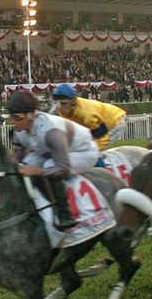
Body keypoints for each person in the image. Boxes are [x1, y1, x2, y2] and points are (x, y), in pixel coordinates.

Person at [7, 90, 100, 230]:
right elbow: (18, 155)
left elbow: (63, 169)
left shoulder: (51, 133)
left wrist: (35, 171)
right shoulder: (18, 132)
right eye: (11, 118)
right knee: (28, 163)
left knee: (49, 165)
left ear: (31, 115)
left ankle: (64, 214)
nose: (13, 123)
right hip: (50, 151)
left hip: (83, 151)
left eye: (17, 118)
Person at [51, 84, 127, 152]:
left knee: (93, 151)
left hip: (114, 120)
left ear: (73, 102)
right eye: (56, 103)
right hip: (98, 121)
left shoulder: (86, 114)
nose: (59, 107)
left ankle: (104, 166)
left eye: (63, 103)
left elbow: (100, 135)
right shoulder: (56, 109)